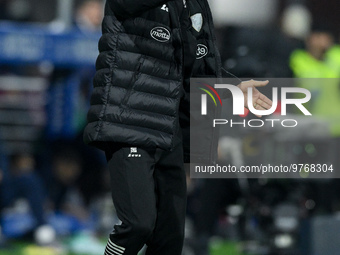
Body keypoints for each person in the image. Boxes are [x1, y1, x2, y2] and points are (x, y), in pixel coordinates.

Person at [83, 1, 272, 254]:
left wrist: (232, 88)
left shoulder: (195, 4)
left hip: (169, 129)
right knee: (138, 224)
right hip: (129, 119)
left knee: (170, 238)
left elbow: (196, 65)